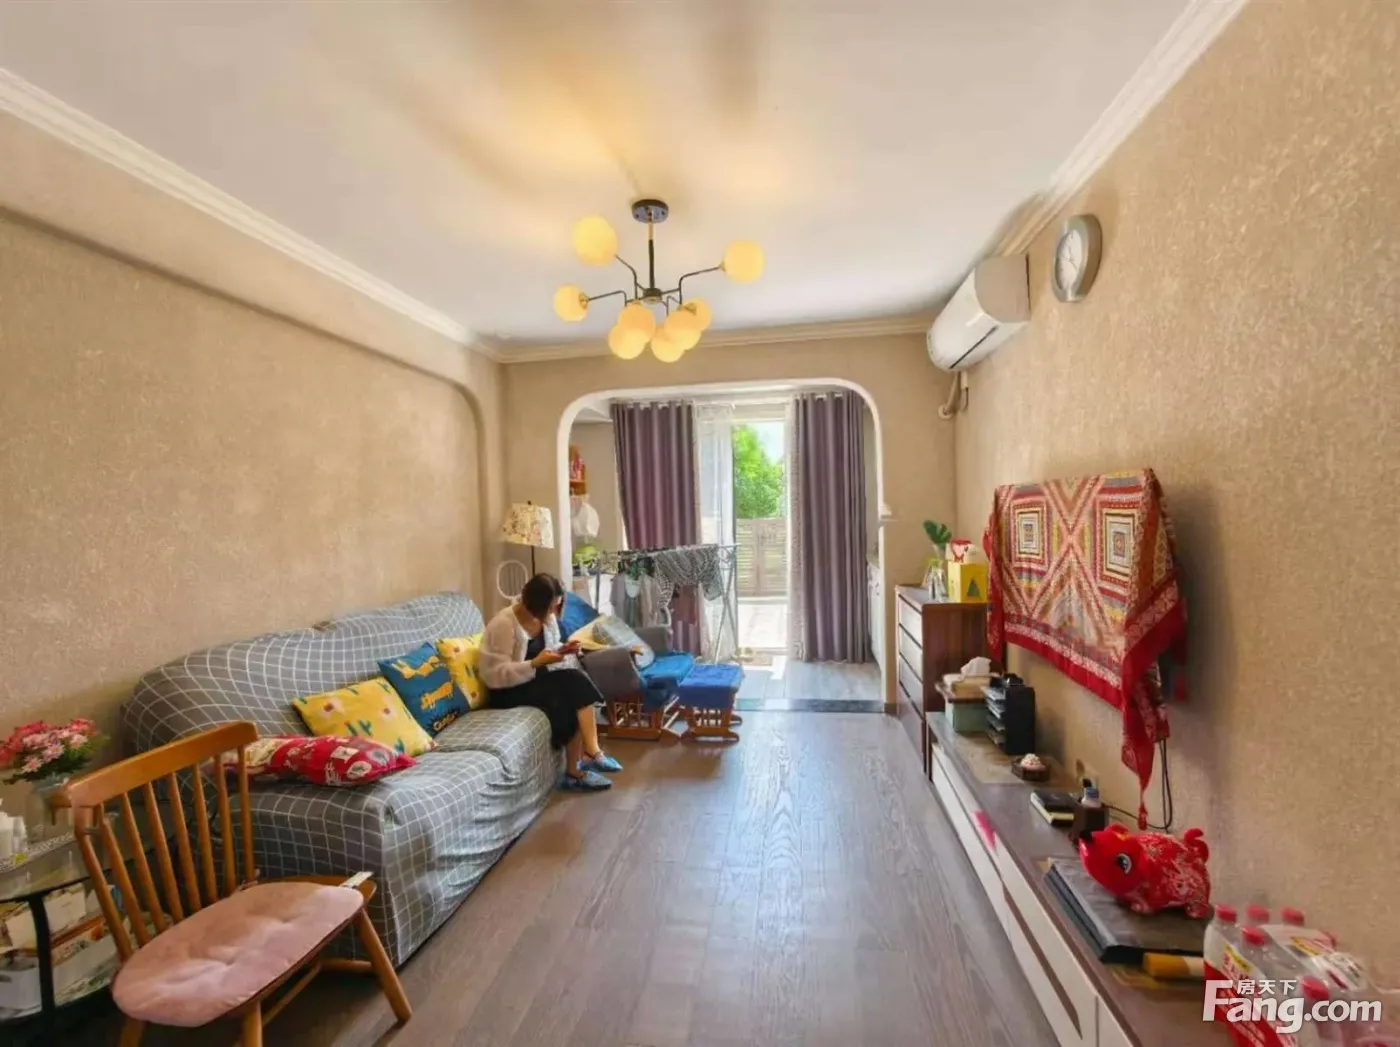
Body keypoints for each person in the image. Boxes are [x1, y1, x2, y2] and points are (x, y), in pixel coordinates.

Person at [477, 573, 623, 791]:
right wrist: (534, 664)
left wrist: (563, 650)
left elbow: (549, 650)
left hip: (535, 680)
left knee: (574, 691)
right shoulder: (504, 624)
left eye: (557, 605)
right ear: (537, 603)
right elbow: (493, 675)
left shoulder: (546, 618)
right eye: (551, 607)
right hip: (506, 691)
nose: (554, 612)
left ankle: (580, 766)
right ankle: (589, 757)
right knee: (573, 683)